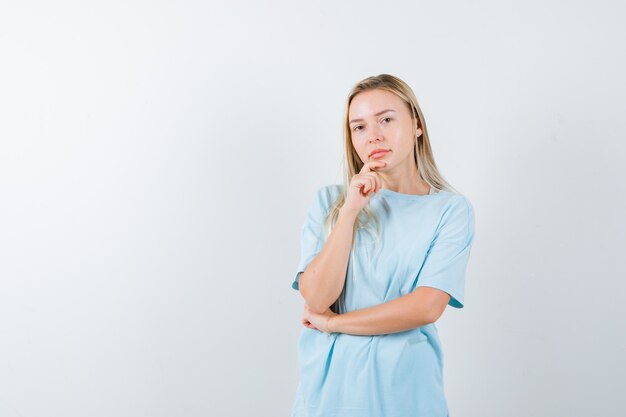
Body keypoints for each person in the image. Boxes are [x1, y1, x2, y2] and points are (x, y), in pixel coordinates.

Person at [289, 74, 476, 417]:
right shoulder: (330, 203)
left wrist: (333, 324)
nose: (373, 135)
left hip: (404, 390)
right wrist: (349, 213)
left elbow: (425, 307)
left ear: (417, 125)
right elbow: (316, 298)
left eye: (386, 119)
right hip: (330, 392)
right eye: (358, 127)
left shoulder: (450, 211)